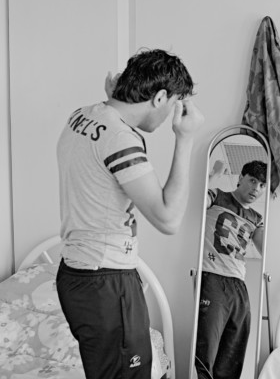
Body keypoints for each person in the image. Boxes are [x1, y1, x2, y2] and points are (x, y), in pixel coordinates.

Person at [55, 48, 204, 379]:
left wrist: (115, 100)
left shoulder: (82, 116)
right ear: (160, 97)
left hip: (77, 276)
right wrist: (186, 139)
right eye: (172, 105)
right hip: (106, 283)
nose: (169, 117)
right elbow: (168, 219)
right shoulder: (121, 139)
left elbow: (102, 142)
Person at [195, 159, 268, 379]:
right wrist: (215, 174)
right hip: (213, 277)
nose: (256, 189)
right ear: (240, 178)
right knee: (206, 348)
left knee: (233, 352)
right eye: (252, 181)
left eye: (262, 185)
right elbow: (195, 201)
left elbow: (267, 250)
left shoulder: (256, 218)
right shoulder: (217, 196)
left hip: (238, 284)